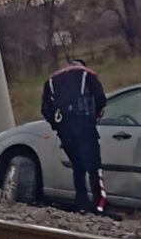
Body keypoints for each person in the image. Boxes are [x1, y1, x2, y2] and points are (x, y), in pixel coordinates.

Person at [41, 60, 109, 215]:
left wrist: (57, 125)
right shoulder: (87, 74)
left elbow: (45, 108)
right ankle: (99, 205)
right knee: (94, 165)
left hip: (65, 127)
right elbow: (100, 99)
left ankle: (82, 205)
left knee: (78, 166)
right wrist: (93, 118)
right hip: (83, 123)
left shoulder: (51, 80)